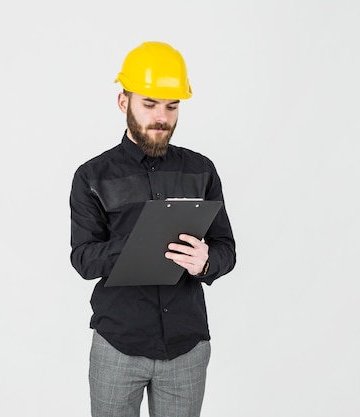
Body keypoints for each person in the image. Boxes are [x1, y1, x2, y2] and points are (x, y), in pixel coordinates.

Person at [69, 41, 237, 417]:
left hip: (186, 348)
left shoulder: (202, 170)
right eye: (150, 103)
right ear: (123, 102)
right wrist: (141, 243)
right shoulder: (91, 176)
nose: (162, 117)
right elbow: (82, 259)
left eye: (172, 105)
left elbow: (226, 248)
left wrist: (206, 262)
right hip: (118, 346)